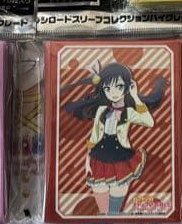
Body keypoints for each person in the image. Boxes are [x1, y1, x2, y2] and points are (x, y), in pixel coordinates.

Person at [62, 63, 168, 214]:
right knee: (103, 208)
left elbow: (149, 122)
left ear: (127, 87)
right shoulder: (101, 110)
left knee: (115, 208)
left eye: (119, 86)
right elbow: (94, 137)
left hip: (121, 158)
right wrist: (87, 161)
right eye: (107, 88)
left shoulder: (129, 112)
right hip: (98, 157)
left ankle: (113, 218)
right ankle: (105, 220)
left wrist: (135, 97)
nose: (113, 93)